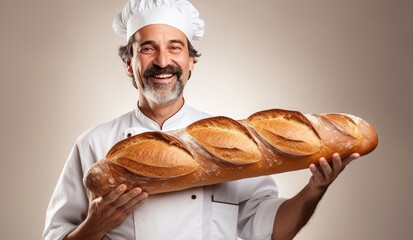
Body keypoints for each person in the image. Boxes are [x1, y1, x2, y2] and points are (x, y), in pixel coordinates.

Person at [43, 0, 360, 239]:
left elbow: (271, 231)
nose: (163, 61)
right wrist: (92, 227)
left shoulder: (234, 144)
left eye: (175, 47)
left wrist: (315, 189)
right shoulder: (93, 144)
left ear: (191, 61)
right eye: (148, 48)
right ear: (129, 63)